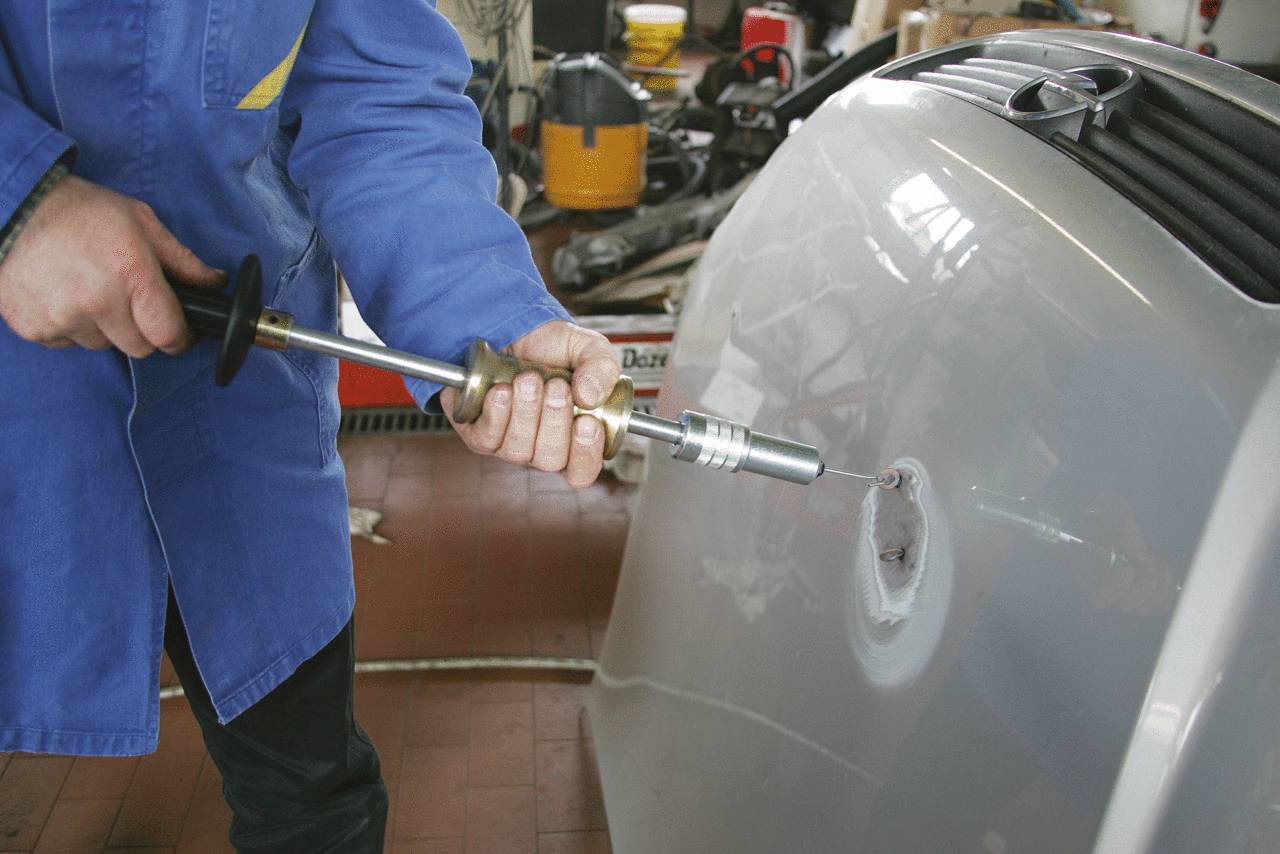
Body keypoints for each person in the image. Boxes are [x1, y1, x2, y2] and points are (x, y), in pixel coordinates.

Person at [0, 2, 621, 850]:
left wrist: (484, 314)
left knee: (312, 799)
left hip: (233, 405)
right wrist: (18, 198)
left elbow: (376, 91)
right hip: (24, 407)